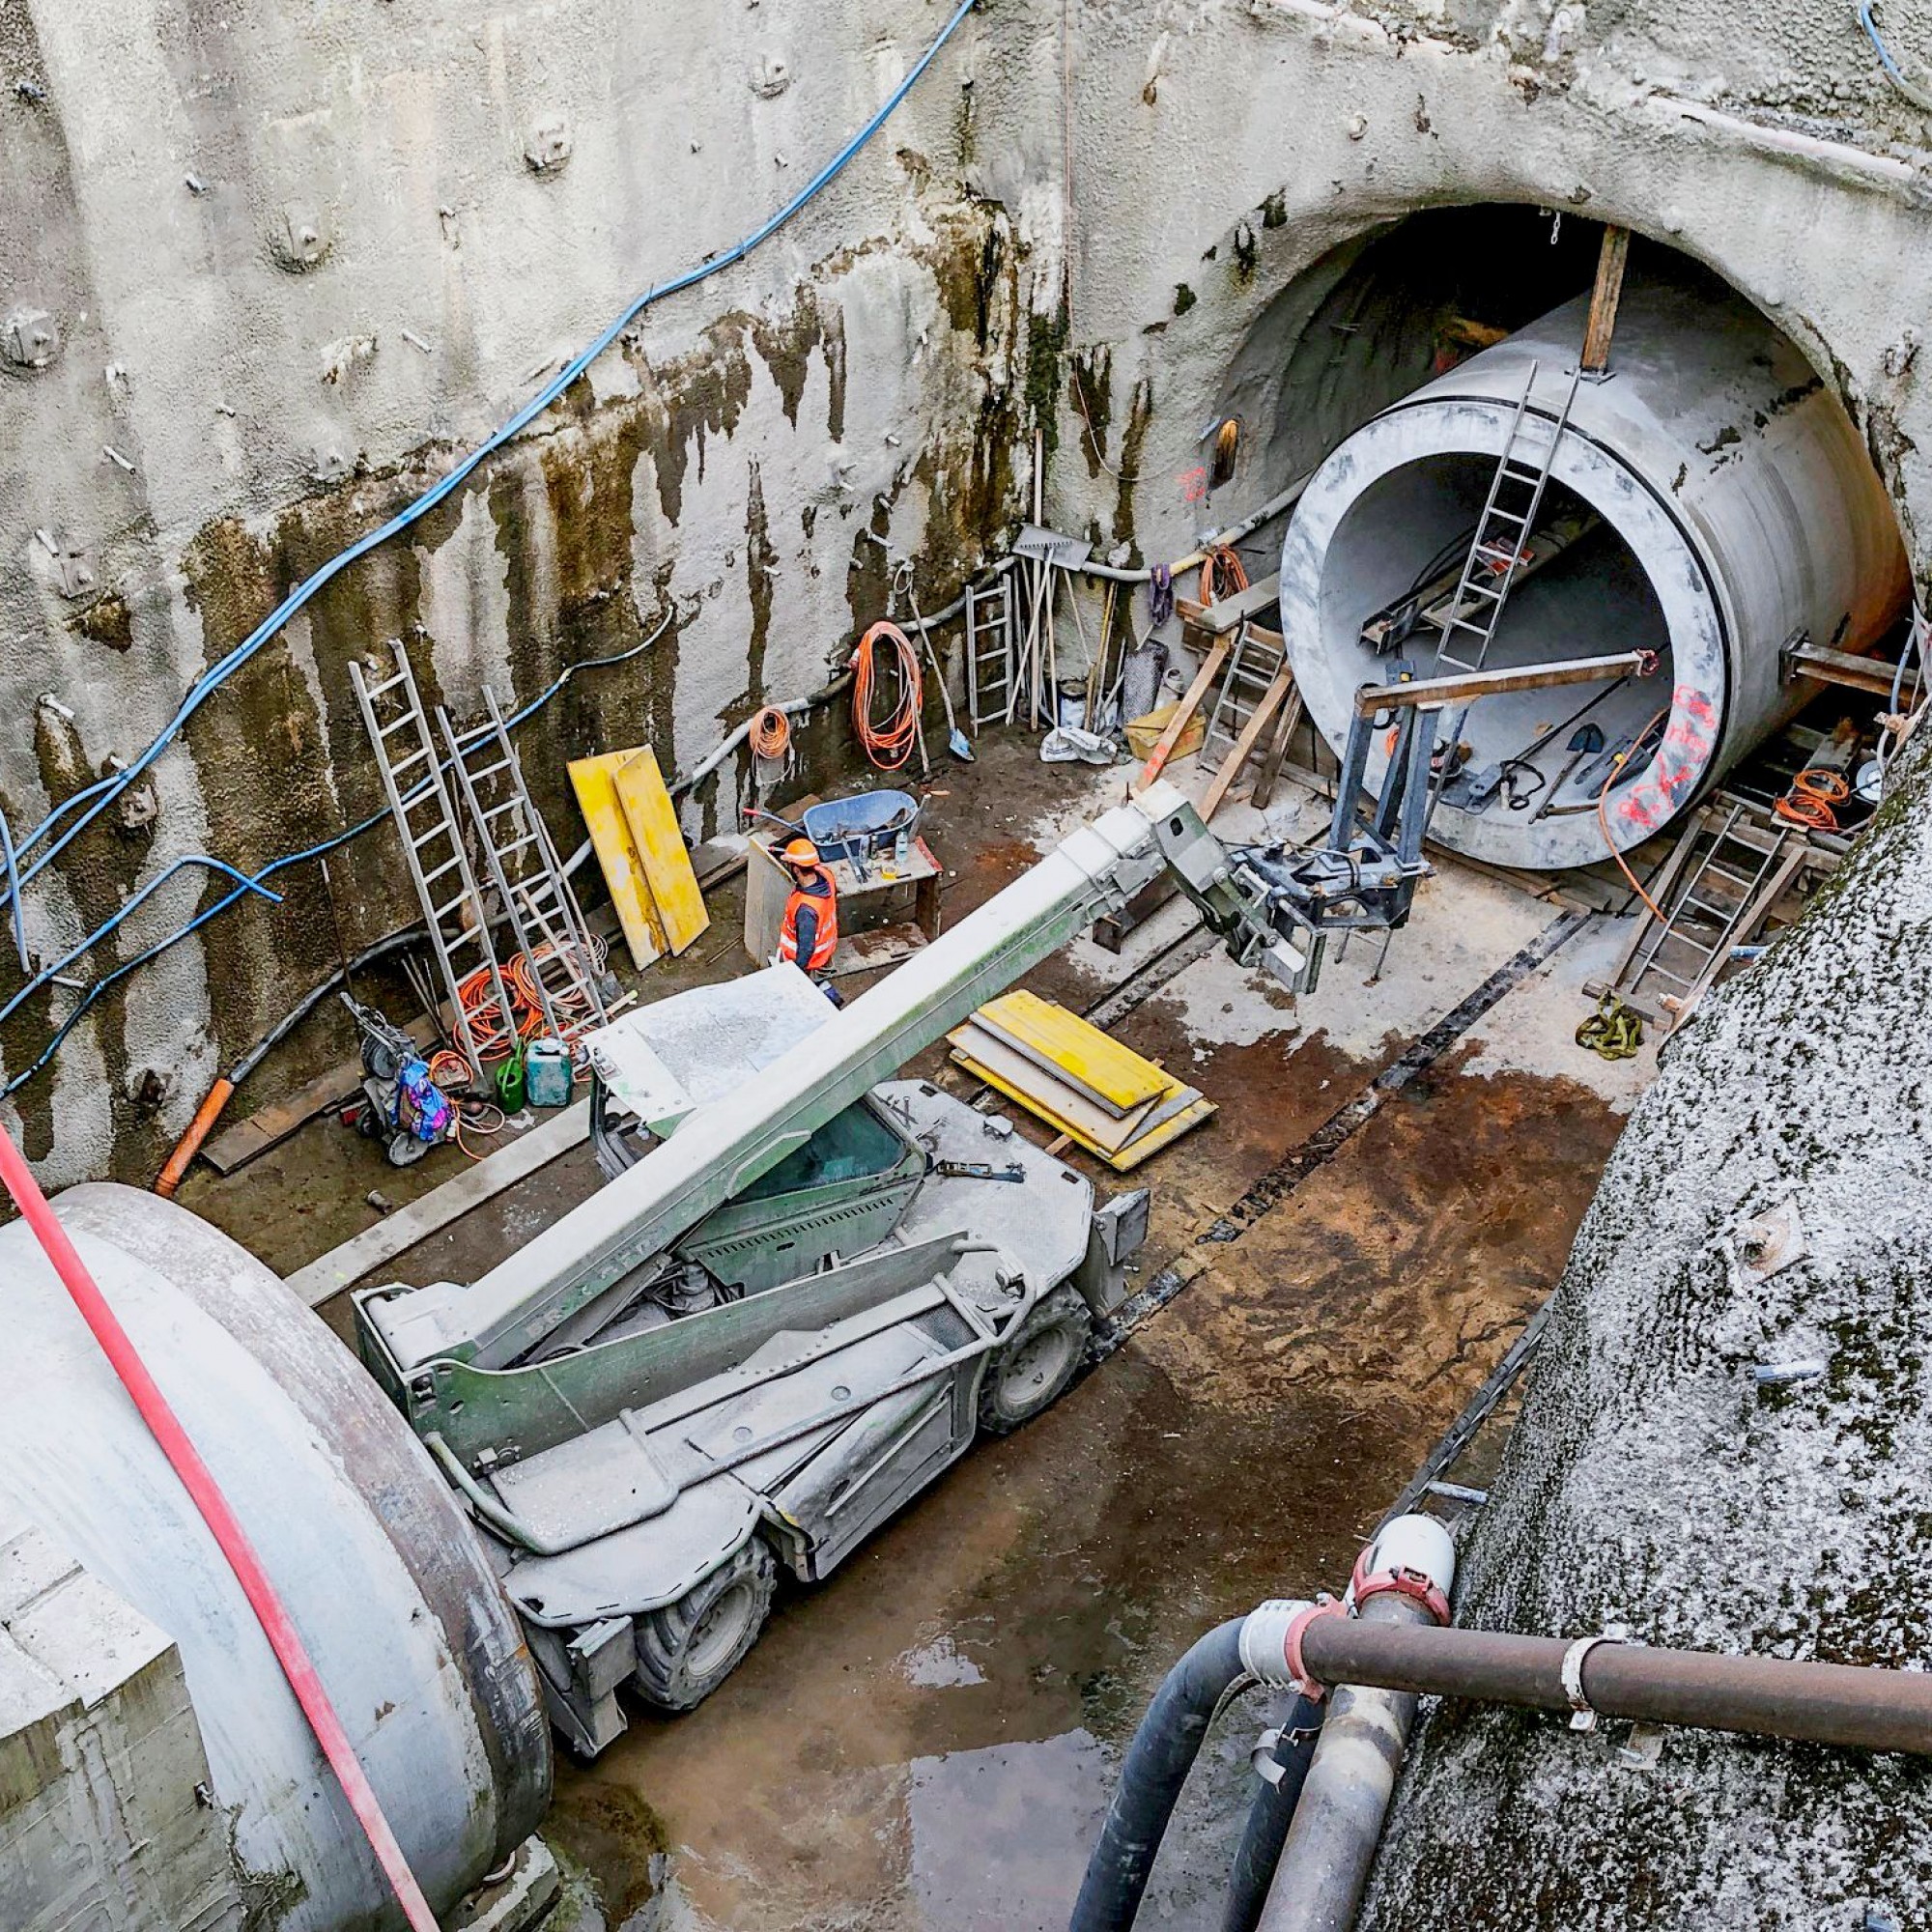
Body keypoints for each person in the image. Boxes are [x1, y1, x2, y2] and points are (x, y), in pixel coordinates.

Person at [777, 837, 838, 976]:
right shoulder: (826, 875)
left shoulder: (806, 910)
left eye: (789, 864)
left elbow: (806, 949)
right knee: (821, 982)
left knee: (810, 988)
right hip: (825, 952)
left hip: (810, 961)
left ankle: (829, 994)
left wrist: (797, 973)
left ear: (796, 869)